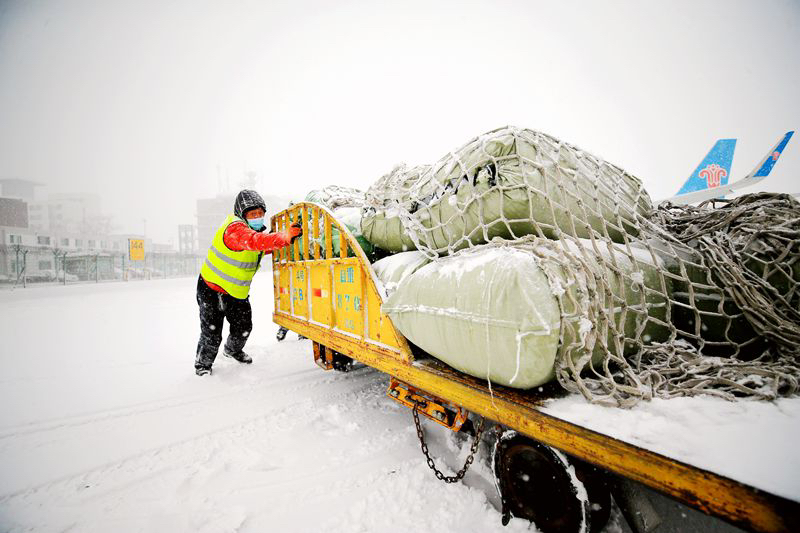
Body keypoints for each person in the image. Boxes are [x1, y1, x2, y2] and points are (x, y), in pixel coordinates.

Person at [195, 189, 301, 376]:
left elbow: (258, 247)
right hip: (211, 289)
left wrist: (283, 241)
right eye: (253, 214)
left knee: (243, 326)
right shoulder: (234, 229)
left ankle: (232, 350)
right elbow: (253, 242)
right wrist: (283, 236)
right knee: (211, 331)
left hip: (236, 292)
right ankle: (203, 365)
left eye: (260, 213)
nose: (258, 217)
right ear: (242, 215)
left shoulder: (253, 233)